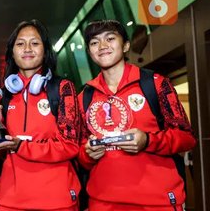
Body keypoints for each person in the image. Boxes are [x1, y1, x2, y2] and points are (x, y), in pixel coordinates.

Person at [78, 20, 196, 210]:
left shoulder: (156, 84)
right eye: (94, 42)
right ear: (89, 51)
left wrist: (148, 140)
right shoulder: (83, 97)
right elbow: (80, 153)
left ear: (125, 45)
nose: (102, 46)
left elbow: (186, 137)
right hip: (102, 204)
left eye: (110, 38)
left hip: (156, 203)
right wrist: (88, 154)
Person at [0, 20, 81, 211]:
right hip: (11, 201)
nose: (27, 48)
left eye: (34, 43)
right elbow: (2, 153)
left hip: (57, 201)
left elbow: (70, 146)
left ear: (45, 50)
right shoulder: (4, 95)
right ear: (12, 51)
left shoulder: (62, 89)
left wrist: (22, 146)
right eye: (20, 44)